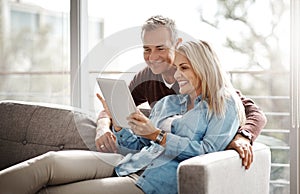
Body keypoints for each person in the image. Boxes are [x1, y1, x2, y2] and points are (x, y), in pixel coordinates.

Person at [0, 40, 246, 194]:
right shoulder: (170, 102)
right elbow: (138, 145)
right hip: (128, 163)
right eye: (177, 67)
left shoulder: (223, 106)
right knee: (48, 164)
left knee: (53, 191)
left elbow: (208, 152)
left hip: (152, 182)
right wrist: (120, 124)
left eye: (184, 68)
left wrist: (158, 135)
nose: (177, 74)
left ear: (203, 68)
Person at [95, 15, 267, 169]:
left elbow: (252, 112)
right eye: (147, 49)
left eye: (160, 48)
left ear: (176, 44)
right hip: (147, 160)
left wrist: (242, 136)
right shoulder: (145, 78)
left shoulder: (199, 81)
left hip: (171, 166)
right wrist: (104, 127)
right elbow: (116, 106)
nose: (152, 57)